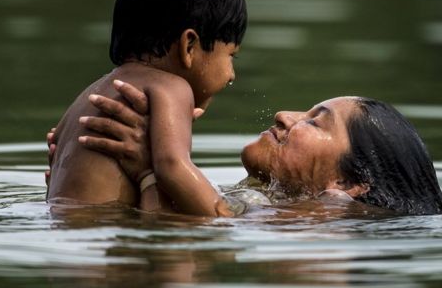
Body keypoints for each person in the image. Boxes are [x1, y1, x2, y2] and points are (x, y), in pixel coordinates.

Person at [47, 0, 247, 216]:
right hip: (106, 235)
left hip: (61, 233)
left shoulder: (89, 95)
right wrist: (221, 214)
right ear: (189, 46)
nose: (231, 74)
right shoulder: (172, 88)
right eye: (231, 55)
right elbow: (172, 166)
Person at [67, 81, 442, 216]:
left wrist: (151, 170)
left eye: (314, 121)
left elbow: (175, 245)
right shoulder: (278, 208)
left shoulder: (319, 225)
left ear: (348, 183)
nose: (283, 115)